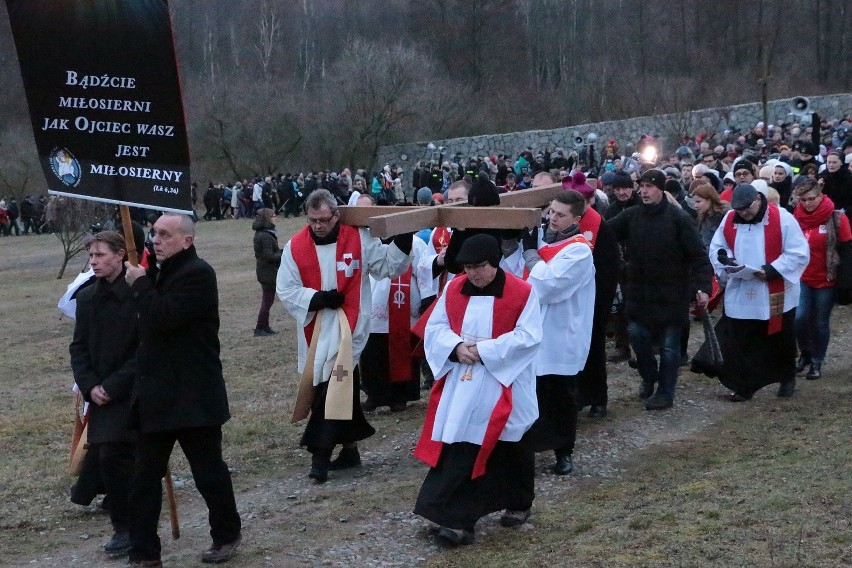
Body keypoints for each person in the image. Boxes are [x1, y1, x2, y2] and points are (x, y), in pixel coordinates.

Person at [124, 214, 241, 566]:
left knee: (209, 474)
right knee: (143, 479)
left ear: (187, 240)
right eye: (154, 234)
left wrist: (141, 284)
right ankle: (144, 553)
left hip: (193, 396)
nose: (154, 240)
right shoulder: (157, 271)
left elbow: (164, 317)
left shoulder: (198, 274)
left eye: (164, 235)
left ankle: (226, 535)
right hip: (156, 395)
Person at [413, 234, 542, 546]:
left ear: (494, 263)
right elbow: (436, 327)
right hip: (466, 382)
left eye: (479, 267)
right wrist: (456, 346)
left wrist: (486, 350)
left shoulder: (522, 292)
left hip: (504, 379)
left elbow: (529, 335)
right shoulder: (454, 288)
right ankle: (458, 519)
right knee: (464, 447)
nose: (472, 274)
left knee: (512, 445)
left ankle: (519, 501)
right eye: (467, 267)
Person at [276, 189, 413, 483]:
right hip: (316, 327)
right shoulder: (295, 247)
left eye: (324, 220)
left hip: (351, 327)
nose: (318, 226)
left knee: (333, 385)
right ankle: (350, 449)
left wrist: (404, 235)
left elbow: (387, 266)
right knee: (336, 386)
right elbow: (286, 288)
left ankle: (319, 455)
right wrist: (319, 299)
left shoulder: (359, 239)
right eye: (312, 220)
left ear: (336, 215)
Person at [504, 191, 595, 474]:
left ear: (576, 219)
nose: (552, 219)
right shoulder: (543, 240)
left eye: (560, 215)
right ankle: (528, 448)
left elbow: (548, 286)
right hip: (532, 331)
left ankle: (563, 451)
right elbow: (515, 274)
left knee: (560, 397)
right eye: (551, 212)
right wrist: (513, 246)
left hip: (561, 336)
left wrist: (530, 253)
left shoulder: (579, 250)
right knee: (532, 396)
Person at [607, 169, 713, 410]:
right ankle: (649, 376)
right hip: (639, 294)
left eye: (650, 186)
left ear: (661, 189)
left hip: (672, 294)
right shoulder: (632, 215)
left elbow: (698, 257)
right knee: (637, 337)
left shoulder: (678, 219)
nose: (644, 191)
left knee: (669, 347)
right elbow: (605, 232)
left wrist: (703, 287)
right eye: (641, 186)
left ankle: (666, 392)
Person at [69, 231, 138, 559]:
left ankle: (137, 526)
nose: (94, 262)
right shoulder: (86, 297)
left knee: (136, 459)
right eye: (91, 256)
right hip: (100, 395)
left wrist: (115, 384)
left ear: (120, 255)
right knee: (109, 456)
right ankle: (123, 528)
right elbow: (78, 347)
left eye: (100, 255)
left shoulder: (139, 292)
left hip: (135, 390)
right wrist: (90, 385)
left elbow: (148, 347)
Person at [709, 184, 810, 401]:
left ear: (757, 199)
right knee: (742, 340)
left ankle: (786, 376)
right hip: (743, 289)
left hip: (774, 288)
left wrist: (772, 270)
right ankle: (745, 385)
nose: (743, 213)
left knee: (779, 337)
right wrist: (727, 260)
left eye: (747, 208)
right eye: (739, 210)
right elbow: (718, 246)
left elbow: (799, 252)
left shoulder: (782, 218)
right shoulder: (729, 219)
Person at [791, 180, 852, 380]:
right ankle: (805, 353)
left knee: (819, 322)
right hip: (802, 277)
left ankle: (817, 361)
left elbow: (847, 249)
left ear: (820, 196)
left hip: (826, 278)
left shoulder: (837, 218)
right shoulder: (796, 217)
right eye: (803, 200)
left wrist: (844, 281)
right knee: (799, 319)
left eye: (811, 199)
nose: (808, 203)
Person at [253, 208, 282, 336]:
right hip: (268, 272)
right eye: (273, 216)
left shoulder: (265, 233)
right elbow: (269, 256)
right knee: (267, 301)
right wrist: (284, 253)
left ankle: (265, 326)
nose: (275, 218)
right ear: (267, 219)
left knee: (268, 300)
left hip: (266, 271)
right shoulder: (265, 236)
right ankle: (260, 327)